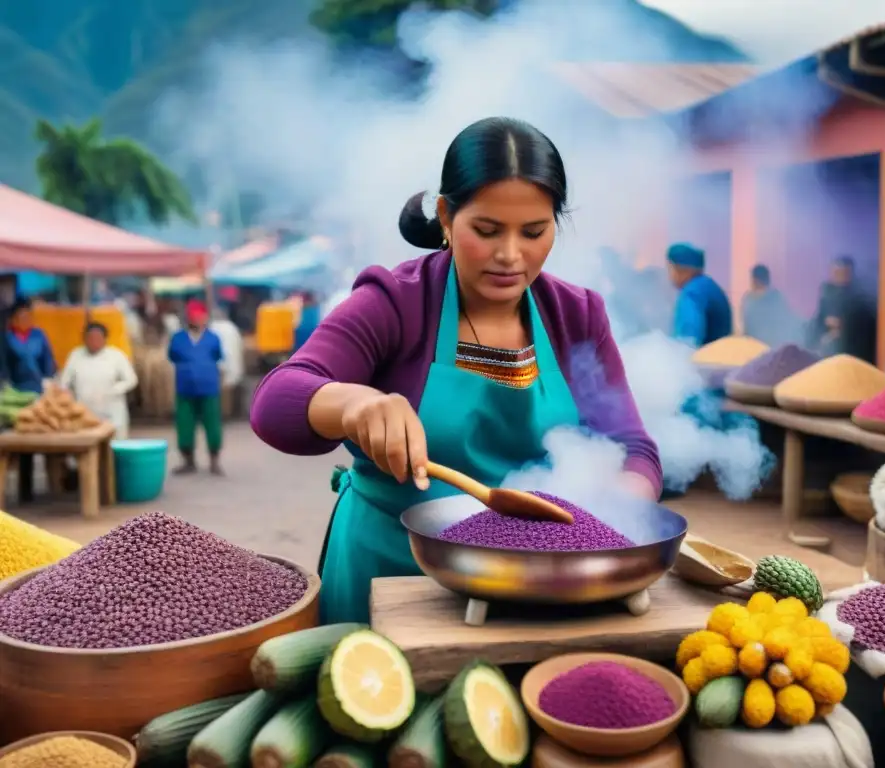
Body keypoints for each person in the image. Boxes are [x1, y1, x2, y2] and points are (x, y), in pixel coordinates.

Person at [250, 117, 663, 625]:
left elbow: (635, 449)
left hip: (528, 588)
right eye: (486, 231)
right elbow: (276, 402)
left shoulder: (576, 315)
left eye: (534, 232)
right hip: (387, 574)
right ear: (446, 216)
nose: (511, 256)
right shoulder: (395, 302)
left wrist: (613, 512)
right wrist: (355, 405)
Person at [168, 299, 224, 475]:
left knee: (212, 424)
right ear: (188, 318)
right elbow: (172, 356)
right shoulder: (178, 338)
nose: (197, 320)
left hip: (208, 388)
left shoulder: (213, 338)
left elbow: (218, 356)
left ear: (206, 318)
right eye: (194, 317)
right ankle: (188, 461)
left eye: (200, 316)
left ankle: (214, 461)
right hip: (184, 388)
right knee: (185, 424)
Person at [60, 322, 138, 439]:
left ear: (105, 339)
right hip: (84, 415)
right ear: (84, 339)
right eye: (90, 338)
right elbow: (64, 382)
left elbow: (131, 380)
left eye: (97, 338)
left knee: (113, 450)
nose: (94, 342)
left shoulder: (116, 356)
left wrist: (113, 390)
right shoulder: (76, 355)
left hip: (112, 415)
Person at [807, 256, 877, 362]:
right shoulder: (826, 294)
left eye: (842, 273)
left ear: (850, 274)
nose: (838, 276)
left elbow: (865, 328)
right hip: (828, 355)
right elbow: (818, 324)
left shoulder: (860, 298)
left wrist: (843, 326)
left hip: (853, 354)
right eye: (835, 273)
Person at [666, 243, 732, 347]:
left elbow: (687, 340)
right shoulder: (708, 286)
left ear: (681, 270)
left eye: (670, 269)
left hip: (706, 360)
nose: (669, 276)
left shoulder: (692, 293)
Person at [3, 298, 56, 393]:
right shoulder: (7, 338)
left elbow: (48, 358)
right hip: (16, 387)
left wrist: (48, 378)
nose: (26, 320)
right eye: (22, 317)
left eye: (28, 317)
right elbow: (3, 363)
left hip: (38, 385)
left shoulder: (38, 335)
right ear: (14, 319)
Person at [741, 265, 800, 347]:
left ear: (755, 280)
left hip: (760, 345)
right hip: (767, 346)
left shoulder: (750, 300)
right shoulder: (776, 297)